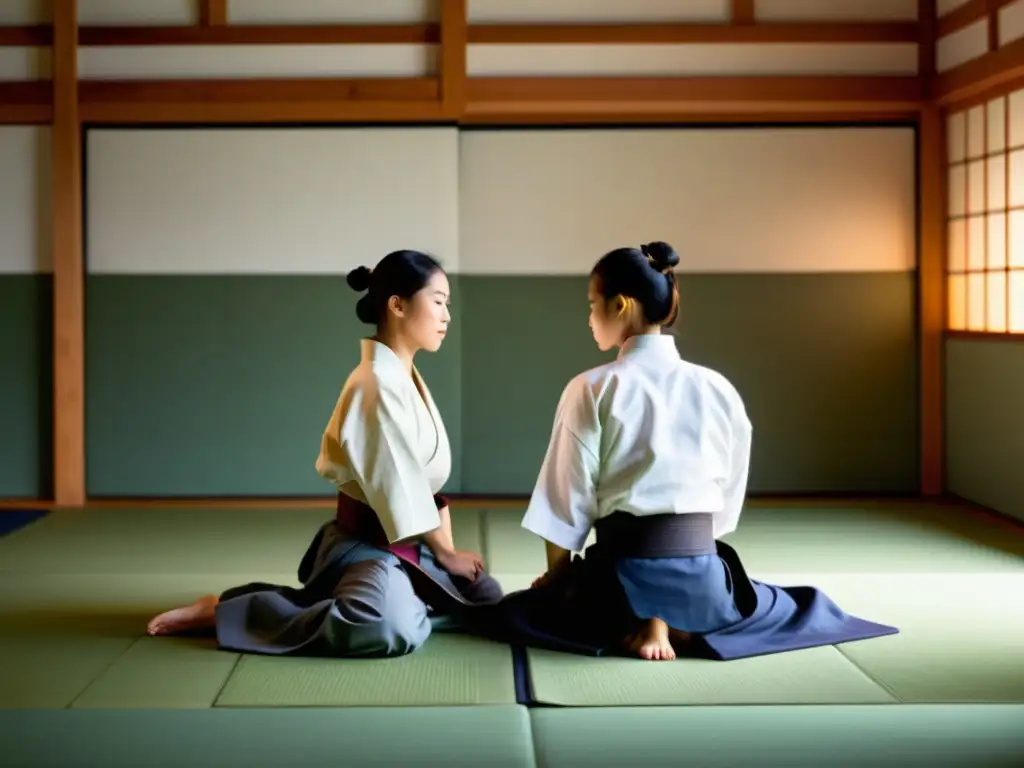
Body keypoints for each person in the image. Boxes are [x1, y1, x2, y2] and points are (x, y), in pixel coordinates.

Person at [480, 241, 898, 661]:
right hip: (704, 580)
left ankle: (646, 622)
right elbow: (725, 500)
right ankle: (683, 622)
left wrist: (559, 578)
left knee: (510, 613)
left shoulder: (591, 387)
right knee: (793, 605)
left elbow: (565, 498)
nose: (588, 318)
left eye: (592, 305)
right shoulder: (717, 387)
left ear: (622, 305)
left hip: (617, 584)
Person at [146, 249, 503, 656]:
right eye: (438, 302)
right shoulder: (375, 384)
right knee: (386, 626)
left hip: (408, 540)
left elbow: (420, 485)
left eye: (447, 305)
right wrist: (445, 553)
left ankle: (390, 600)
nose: (446, 316)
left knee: (485, 597)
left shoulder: (401, 375)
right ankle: (227, 612)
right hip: (369, 544)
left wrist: (449, 554)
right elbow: (401, 492)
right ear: (398, 305)